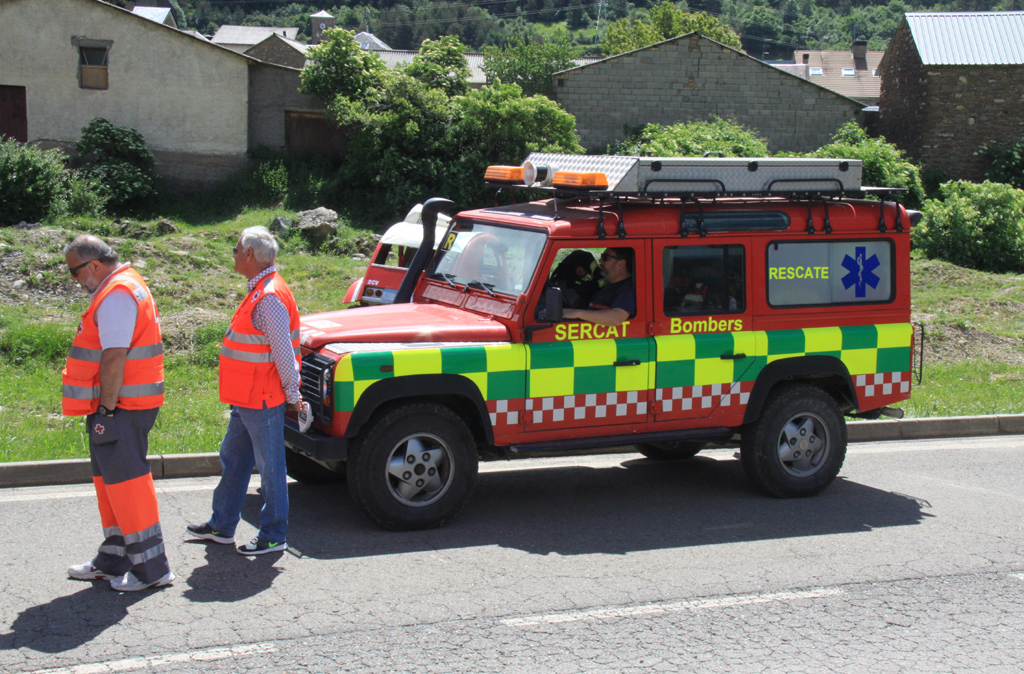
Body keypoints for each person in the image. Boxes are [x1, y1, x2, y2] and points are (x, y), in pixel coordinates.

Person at [63, 235, 173, 592]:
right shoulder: (124, 285)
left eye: (75, 272)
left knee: (128, 487)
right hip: (119, 406)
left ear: (94, 265)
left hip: (121, 407)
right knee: (110, 485)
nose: (75, 281)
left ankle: (152, 570)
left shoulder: (117, 294)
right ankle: (113, 558)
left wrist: (106, 410)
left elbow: (114, 357)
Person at [187, 226, 302, 555]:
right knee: (234, 458)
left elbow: (283, 355)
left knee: (271, 470)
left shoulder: (268, 298)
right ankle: (222, 525)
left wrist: (292, 397)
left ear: (250, 255)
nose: (234, 253)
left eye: (237, 249)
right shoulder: (262, 290)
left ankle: (273, 534)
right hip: (248, 398)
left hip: (262, 398)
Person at [563, 248, 636, 327]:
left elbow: (616, 318)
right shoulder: (609, 284)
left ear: (621, 264)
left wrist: (576, 313)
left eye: (605, 258)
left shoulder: (627, 290)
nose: (600, 260)